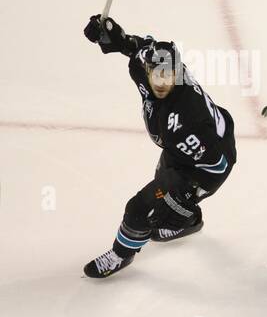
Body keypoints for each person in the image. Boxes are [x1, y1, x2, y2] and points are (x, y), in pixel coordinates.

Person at [80, 15, 237, 278]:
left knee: (140, 208)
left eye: (168, 76)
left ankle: (121, 254)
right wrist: (111, 35)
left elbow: (217, 164)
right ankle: (189, 221)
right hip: (183, 153)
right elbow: (141, 45)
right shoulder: (157, 64)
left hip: (205, 165)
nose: (162, 83)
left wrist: (188, 195)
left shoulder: (186, 120)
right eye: (157, 74)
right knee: (162, 184)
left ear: (177, 72)